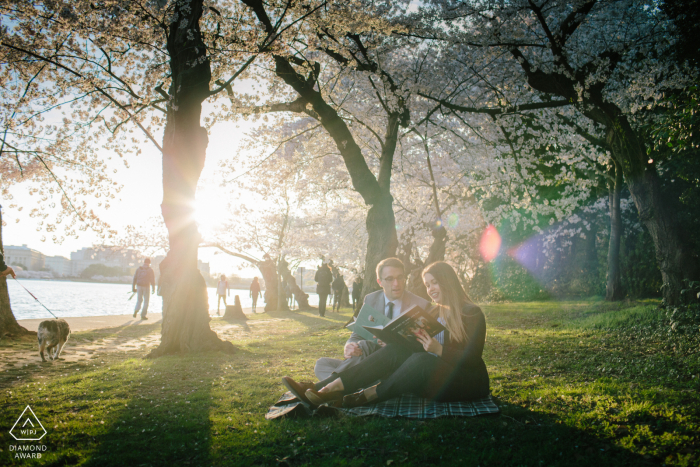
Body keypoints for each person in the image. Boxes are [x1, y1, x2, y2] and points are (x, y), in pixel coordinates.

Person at [283, 261, 489, 408]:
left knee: (423, 360)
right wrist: (400, 339)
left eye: (434, 283)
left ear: (448, 281)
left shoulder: (470, 312)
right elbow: (415, 347)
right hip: (429, 379)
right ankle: (324, 389)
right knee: (396, 349)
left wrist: (438, 349)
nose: (430, 289)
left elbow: (472, 359)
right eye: (427, 285)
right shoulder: (434, 312)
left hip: (464, 382)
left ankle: (370, 394)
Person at [281, 258, 429, 402]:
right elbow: (358, 332)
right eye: (389, 279)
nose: (396, 284)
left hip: (398, 364)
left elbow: (425, 353)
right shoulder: (371, 299)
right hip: (368, 364)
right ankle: (350, 386)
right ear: (380, 282)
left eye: (400, 278)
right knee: (322, 363)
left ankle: (321, 387)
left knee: (365, 345)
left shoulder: (420, 305)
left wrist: (395, 343)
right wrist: (349, 345)